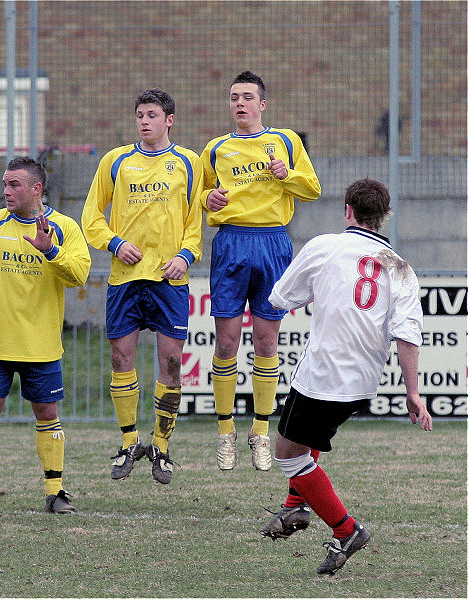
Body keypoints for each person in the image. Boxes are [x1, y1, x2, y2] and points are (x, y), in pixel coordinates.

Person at [261, 178, 432, 575]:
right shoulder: (401, 269)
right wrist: (413, 393)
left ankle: (346, 529)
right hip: (362, 382)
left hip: (322, 374)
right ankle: (294, 508)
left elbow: (280, 298)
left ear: (348, 211)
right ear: (385, 216)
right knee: (308, 439)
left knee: (287, 454)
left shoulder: (324, 246)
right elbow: (407, 335)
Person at [0, 157, 91, 514]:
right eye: (5, 184)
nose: (7, 191)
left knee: (46, 413)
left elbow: (79, 275)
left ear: (36, 189)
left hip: (41, 344)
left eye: (14, 185)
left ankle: (55, 492)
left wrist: (51, 251)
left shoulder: (65, 228)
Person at [81, 88, 205, 484]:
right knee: (121, 360)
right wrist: (116, 243)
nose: (144, 121)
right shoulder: (115, 161)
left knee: (170, 363)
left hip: (170, 280)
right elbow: (90, 217)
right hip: (126, 279)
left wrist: (186, 255)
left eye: (152, 114)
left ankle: (162, 448)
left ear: (169, 119)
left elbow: (195, 220)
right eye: (139, 115)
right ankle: (129, 442)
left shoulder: (189, 162)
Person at [200, 71, 321, 471]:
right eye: (234, 97)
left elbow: (312, 189)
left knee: (267, 342)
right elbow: (200, 194)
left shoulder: (285, 141)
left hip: (272, 242)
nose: (240, 103)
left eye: (248, 97)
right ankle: (225, 434)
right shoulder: (215, 148)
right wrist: (209, 198)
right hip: (231, 242)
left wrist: (289, 175)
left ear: (262, 104)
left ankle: (261, 433)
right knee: (227, 343)